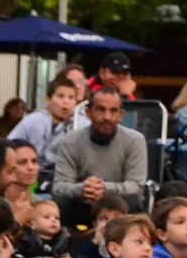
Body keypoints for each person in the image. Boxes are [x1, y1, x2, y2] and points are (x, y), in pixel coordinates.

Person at [52, 88, 148, 227]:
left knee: (133, 202)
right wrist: (84, 189)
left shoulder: (135, 140)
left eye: (113, 111)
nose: (107, 117)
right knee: (61, 203)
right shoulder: (70, 141)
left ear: (121, 115)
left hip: (120, 206)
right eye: (100, 110)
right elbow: (59, 187)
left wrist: (104, 189)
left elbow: (136, 187)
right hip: (83, 204)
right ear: (88, 113)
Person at [9, 76, 79, 185]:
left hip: (62, 178)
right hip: (31, 175)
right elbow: (10, 144)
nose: (66, 102)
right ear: (48, 99)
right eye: (60, 96)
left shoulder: (78, 126)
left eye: (71, 98)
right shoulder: (33, 120)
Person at [71, 194, 130, 258]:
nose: (110, 223)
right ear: (95, 224)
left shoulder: (129, 242)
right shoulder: (88, 240)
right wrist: (95, 242)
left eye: (117, 219)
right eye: (104, 219)